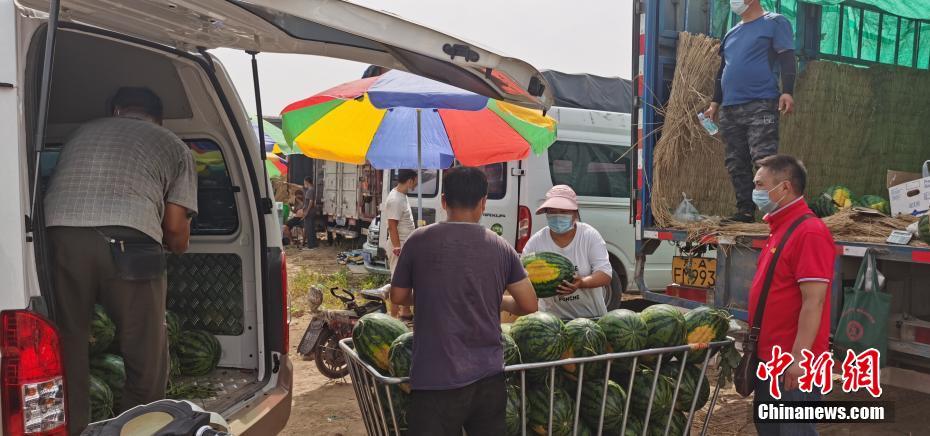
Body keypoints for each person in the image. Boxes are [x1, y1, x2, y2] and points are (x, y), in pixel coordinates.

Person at [44, 87, 197, 433]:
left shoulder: (81, 132)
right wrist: (179, 241)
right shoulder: (173, 145)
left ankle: (76, 428)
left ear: (116, 110)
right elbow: (175, 230)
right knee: (145, 351)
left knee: (69, 343)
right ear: (158, 118)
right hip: (131, 242)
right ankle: (140, 428)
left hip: (60, 236)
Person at [390, 167, 538, 436]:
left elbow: (398, 297)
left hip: (434, 379)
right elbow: (529, 304)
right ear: (483, 203)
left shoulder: (418, 240)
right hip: (488, 380)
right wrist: (500, 302)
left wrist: (428, 294)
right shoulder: (500, 246)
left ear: (444, 201)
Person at [748, 155, 833, 436]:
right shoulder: (780, 227)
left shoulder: (809, 232)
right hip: (770, 359)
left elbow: (814, 301)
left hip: (792, 364)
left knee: (794, 431)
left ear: (784, 188)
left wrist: (799, 359)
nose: (756, 191)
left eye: (760, 185)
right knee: (770, 429)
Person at [704, 0, 797, 223]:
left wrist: (787, 91)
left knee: (764, 160)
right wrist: (715, 103)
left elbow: (787, 59)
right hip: (730, 108)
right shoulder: (731, 33)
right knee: (736, 162)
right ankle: (745, 211)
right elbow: (722, 71)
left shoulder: (775, 22)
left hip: (761, 103)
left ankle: (778, 212)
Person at [522, 185, 613, 319]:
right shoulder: (536, 242)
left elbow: (605, 274)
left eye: (564, 211)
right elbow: (521, 277)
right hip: (552, 323)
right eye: (552, 211)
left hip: (590, 319)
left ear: (575, 213)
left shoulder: (589, 236)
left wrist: (582, 282)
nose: (558, 216)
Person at [381, 169, 418, 320]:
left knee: (406, 279)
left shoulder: (401, 195)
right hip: (399, 245)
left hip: (405, 244)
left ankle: (406, 311)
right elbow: (392, 225)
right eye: (415, 180)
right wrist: (397, 248)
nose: (416, 183)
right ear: (410, 181)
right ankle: (393, 317)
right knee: (397, 281)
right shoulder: (395, 199)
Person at [301, 176, 319, 249]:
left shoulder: (310, 190)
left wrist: (306, 211)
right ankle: (314, 244)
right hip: (311, 211)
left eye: (304, 182)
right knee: (311, 228)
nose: (304, 183)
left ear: (307, 182)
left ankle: (311, 246)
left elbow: (311, 202)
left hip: (309, 212)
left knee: (309, 228)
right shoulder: (311, 190)